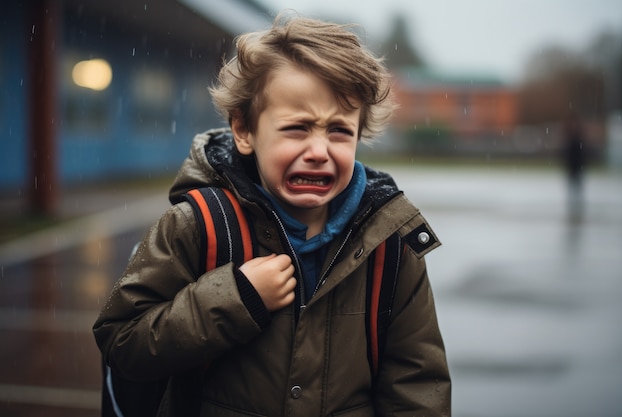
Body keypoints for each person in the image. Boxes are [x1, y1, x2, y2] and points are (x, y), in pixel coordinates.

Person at [93, 13, 450, 416]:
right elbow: (122, 343)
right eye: (297, 128)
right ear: (245, 131)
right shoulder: (198, 226)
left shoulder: (389, 244)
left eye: (339, 131)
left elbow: (417, 386)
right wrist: (234, 299)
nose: (319, 150)